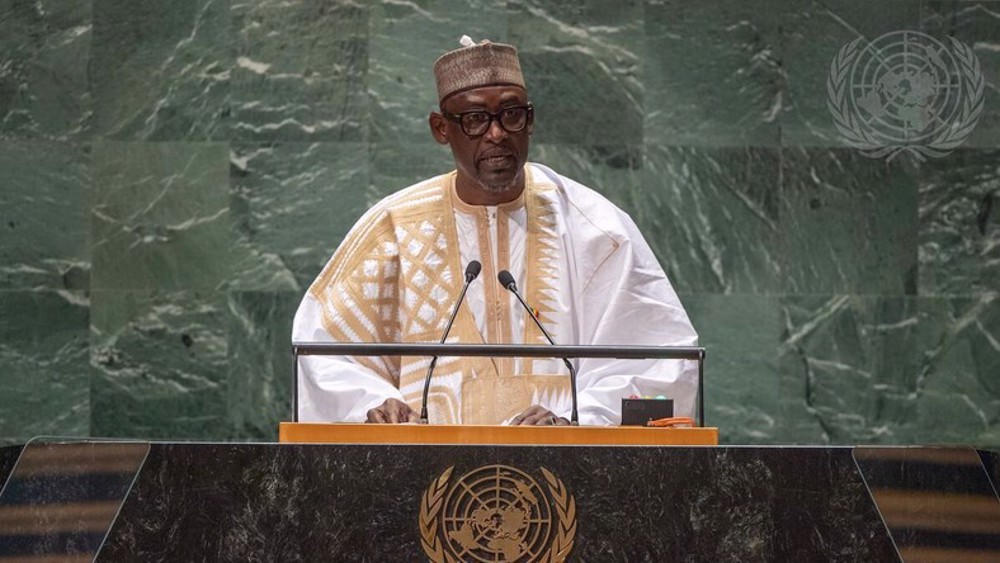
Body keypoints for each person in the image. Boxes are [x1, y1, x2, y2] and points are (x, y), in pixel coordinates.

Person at [292, 36, 697, 426]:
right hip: (421, 484)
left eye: (511, 114)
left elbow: (662, 359)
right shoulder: (392, 231)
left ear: (530, 120)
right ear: (440, 129)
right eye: (474, 119)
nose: (497, 133)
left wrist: (579, 417)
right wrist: (377, 403)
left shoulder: (595, 230)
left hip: (572, 480)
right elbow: (322, 352)